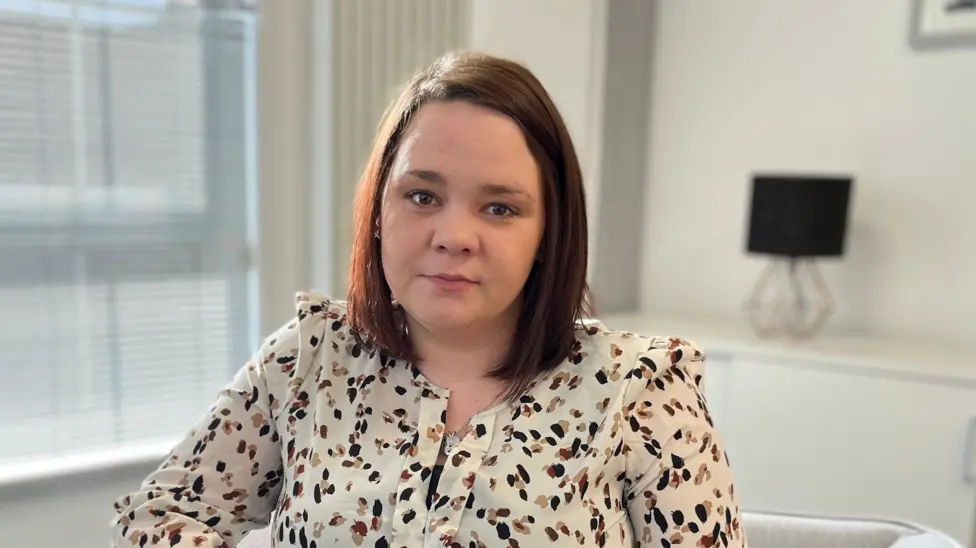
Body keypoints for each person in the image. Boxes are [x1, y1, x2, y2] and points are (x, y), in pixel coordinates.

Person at [111, 51, 745, 548]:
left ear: (548, 234)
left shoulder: (639, 388)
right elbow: (158, 516)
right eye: (422, 196)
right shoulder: (308, 358)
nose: (454, 236)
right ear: (378, 212)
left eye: (500, 208)